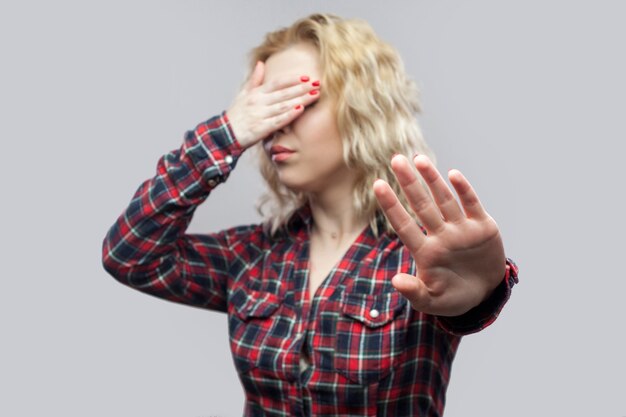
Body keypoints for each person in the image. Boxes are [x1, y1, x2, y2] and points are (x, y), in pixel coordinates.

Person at [101, 12, 519, 417]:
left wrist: (484, 291)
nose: (275, 124)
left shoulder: (422, 256)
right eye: (264, 106)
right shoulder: (253, 254)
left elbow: (466, 295)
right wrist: (228, 131)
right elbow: (131, 254)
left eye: (299, 99)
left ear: (363, 108)